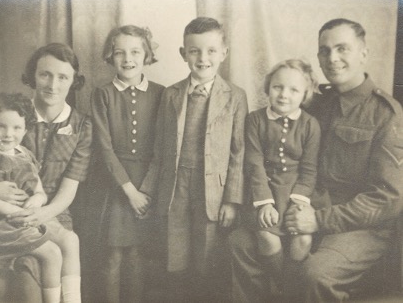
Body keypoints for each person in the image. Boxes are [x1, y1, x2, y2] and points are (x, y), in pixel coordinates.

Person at [229, 18, 403, 303]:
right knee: (241, 243)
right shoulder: (316, 102)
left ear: (363, 53)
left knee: (316, 274)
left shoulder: (386, 114)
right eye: (324, 50)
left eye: (342, 49)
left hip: (357, 226)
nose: (332, 58)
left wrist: (319, 220)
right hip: (301, 207)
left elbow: (387, 200)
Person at [0, 43, 92, 303]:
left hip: (52, 212)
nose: (53, 85)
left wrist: (40, 212)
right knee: (26, 284)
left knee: (64, 247)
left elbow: (68, 190)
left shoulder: (81, 125)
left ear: (74, 81)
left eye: (63, 77)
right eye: (45, 74)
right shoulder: (9, 117)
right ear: (32, 76)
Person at [140, 17, 248, 301]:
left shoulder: (235, 96)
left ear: (224, 53)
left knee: (206, 251)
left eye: (211, 50)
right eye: (195, 51)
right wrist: (148, 190)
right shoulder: (172, 94)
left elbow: (239, 152)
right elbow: (160, 149)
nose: (203, 58)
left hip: (212, 187)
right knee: (175, 250)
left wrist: (231, 200)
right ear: (183, 54)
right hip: (176, 184)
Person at [87, 25, 164, 303]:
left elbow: (162, 148)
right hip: (115, 184)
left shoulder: (161, 93)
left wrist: (147, 191)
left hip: (148, 185)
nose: (128, 59)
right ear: (110, 56)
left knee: (137, 254)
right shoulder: (103, 94)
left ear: (147, 55)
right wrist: (130, 192)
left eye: (135, 52)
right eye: (120, 53)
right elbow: (104, 148)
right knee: (113, 255)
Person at [244, 59, 320, 290]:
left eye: (294, 89)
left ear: (305, 94)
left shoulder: (310, 125)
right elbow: (254, 164)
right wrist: (264, 203)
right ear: (268, 88)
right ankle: (280, 287)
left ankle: (290, 289)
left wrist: (299, 201)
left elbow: (309, 169)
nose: (284, 95)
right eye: (278, 87)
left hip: (296, 191)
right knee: (267, 236)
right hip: (265, 189)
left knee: (303, 238)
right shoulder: (255, 120)